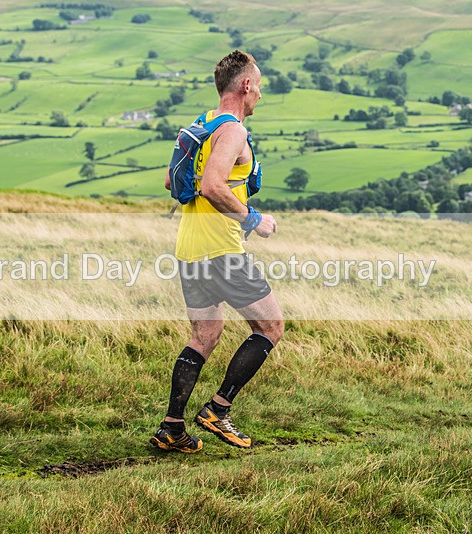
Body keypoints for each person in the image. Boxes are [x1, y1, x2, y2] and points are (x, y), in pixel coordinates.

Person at [150, 50, 284, 453]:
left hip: (189, 248)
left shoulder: (203, 124)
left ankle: (172, 429)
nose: (260, 94)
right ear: (246, 85)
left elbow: (172, 181)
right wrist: (253, 219)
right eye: (258, 86)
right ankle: (217, 409)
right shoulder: (233, 131)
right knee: (271, 328)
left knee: (205, 335)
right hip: (221, 250)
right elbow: (212, 185)